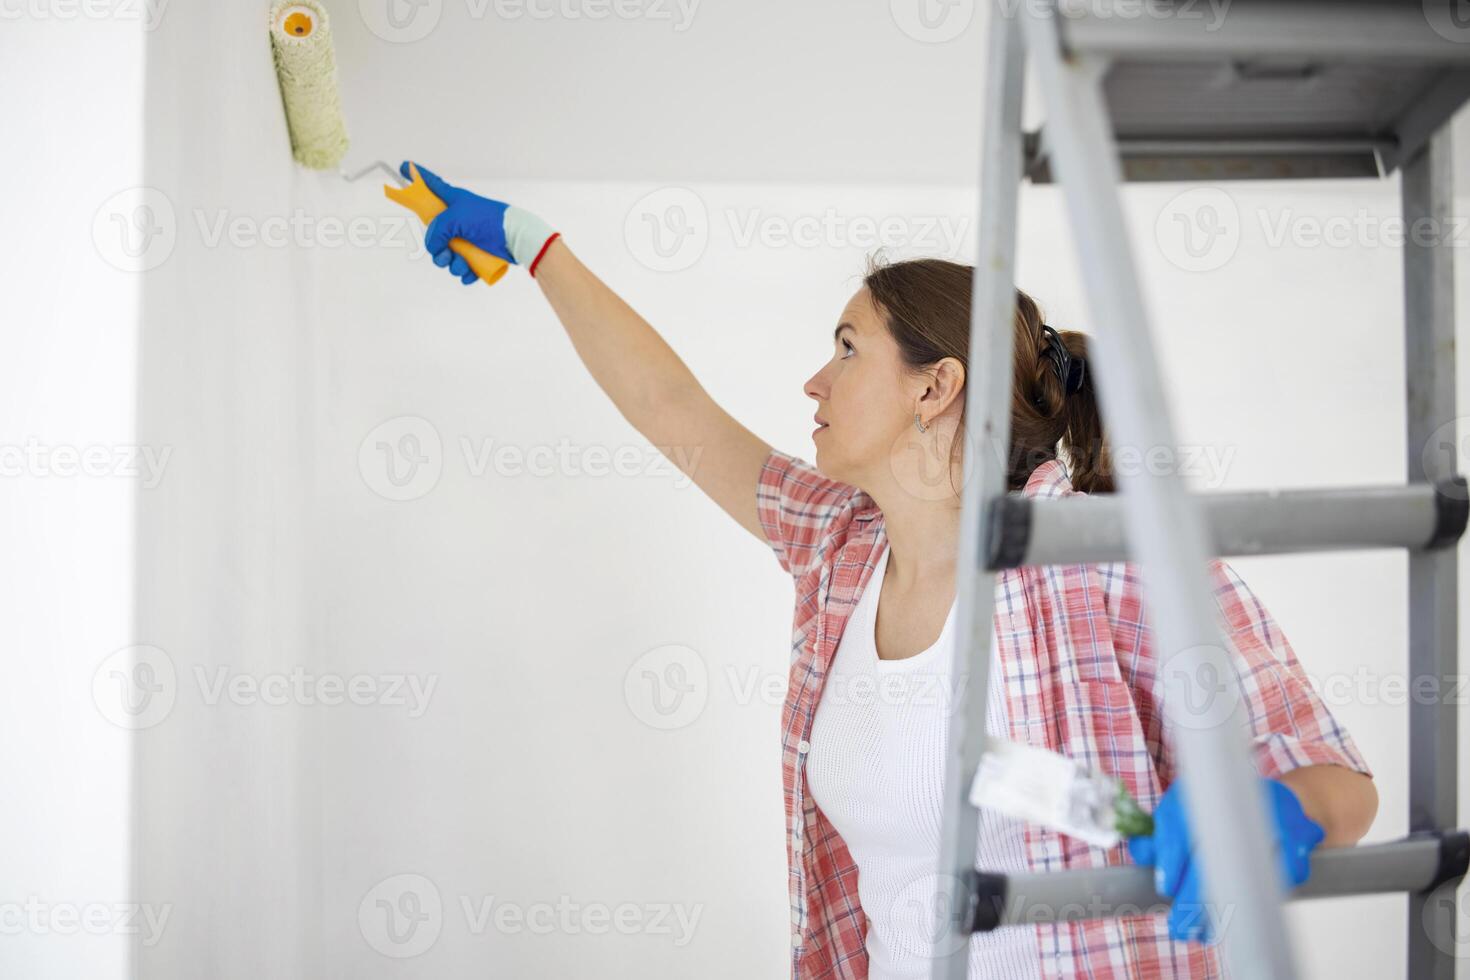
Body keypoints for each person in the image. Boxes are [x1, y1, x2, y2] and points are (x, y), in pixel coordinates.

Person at [398, 162, 1380, 979]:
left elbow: (1333, 773)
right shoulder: (839, 549)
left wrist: (1275, 804)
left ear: (935, 385)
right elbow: (673, 409)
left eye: (845, 348)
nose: (812, 381)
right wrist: (534, 245)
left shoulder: (1109, 562)